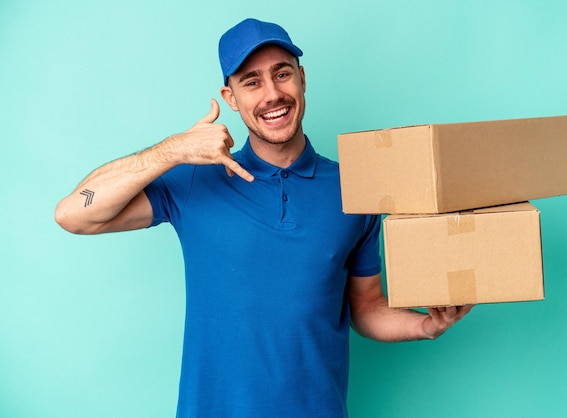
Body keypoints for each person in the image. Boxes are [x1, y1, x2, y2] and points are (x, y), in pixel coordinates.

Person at [55, 18, 472, 418]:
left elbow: (366, 308)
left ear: (302, 78)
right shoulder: (195, 181)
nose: (272, 94)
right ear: (231, 97)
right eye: (251, 82)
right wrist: (174, 149)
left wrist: (425, 326)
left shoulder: (356, 190)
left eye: (282, 74)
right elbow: (74, 214)